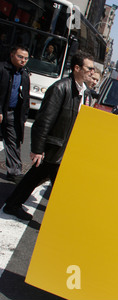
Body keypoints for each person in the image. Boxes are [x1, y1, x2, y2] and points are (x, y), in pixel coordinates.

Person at [2, 51, 95, 221]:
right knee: (60, 186)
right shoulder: (61, 88)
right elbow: (44, 120)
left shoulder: (81, 91)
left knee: (35, 177)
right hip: (54, 147)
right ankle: (61, 220)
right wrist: (38, 149)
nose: (92, 71)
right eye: (89, 68)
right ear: (76, 68)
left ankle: (13, 204)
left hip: (63, 147)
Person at [0, 45, 31, 183]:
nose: (23, 60)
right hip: (1, 111)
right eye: (20, 57)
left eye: (26, 58)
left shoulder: (24, 75)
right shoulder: (2, 69)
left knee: (14, 142)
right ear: (12, 55)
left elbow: (26, 97)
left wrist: (23, 117)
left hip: (14, 114)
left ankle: (14, 172)